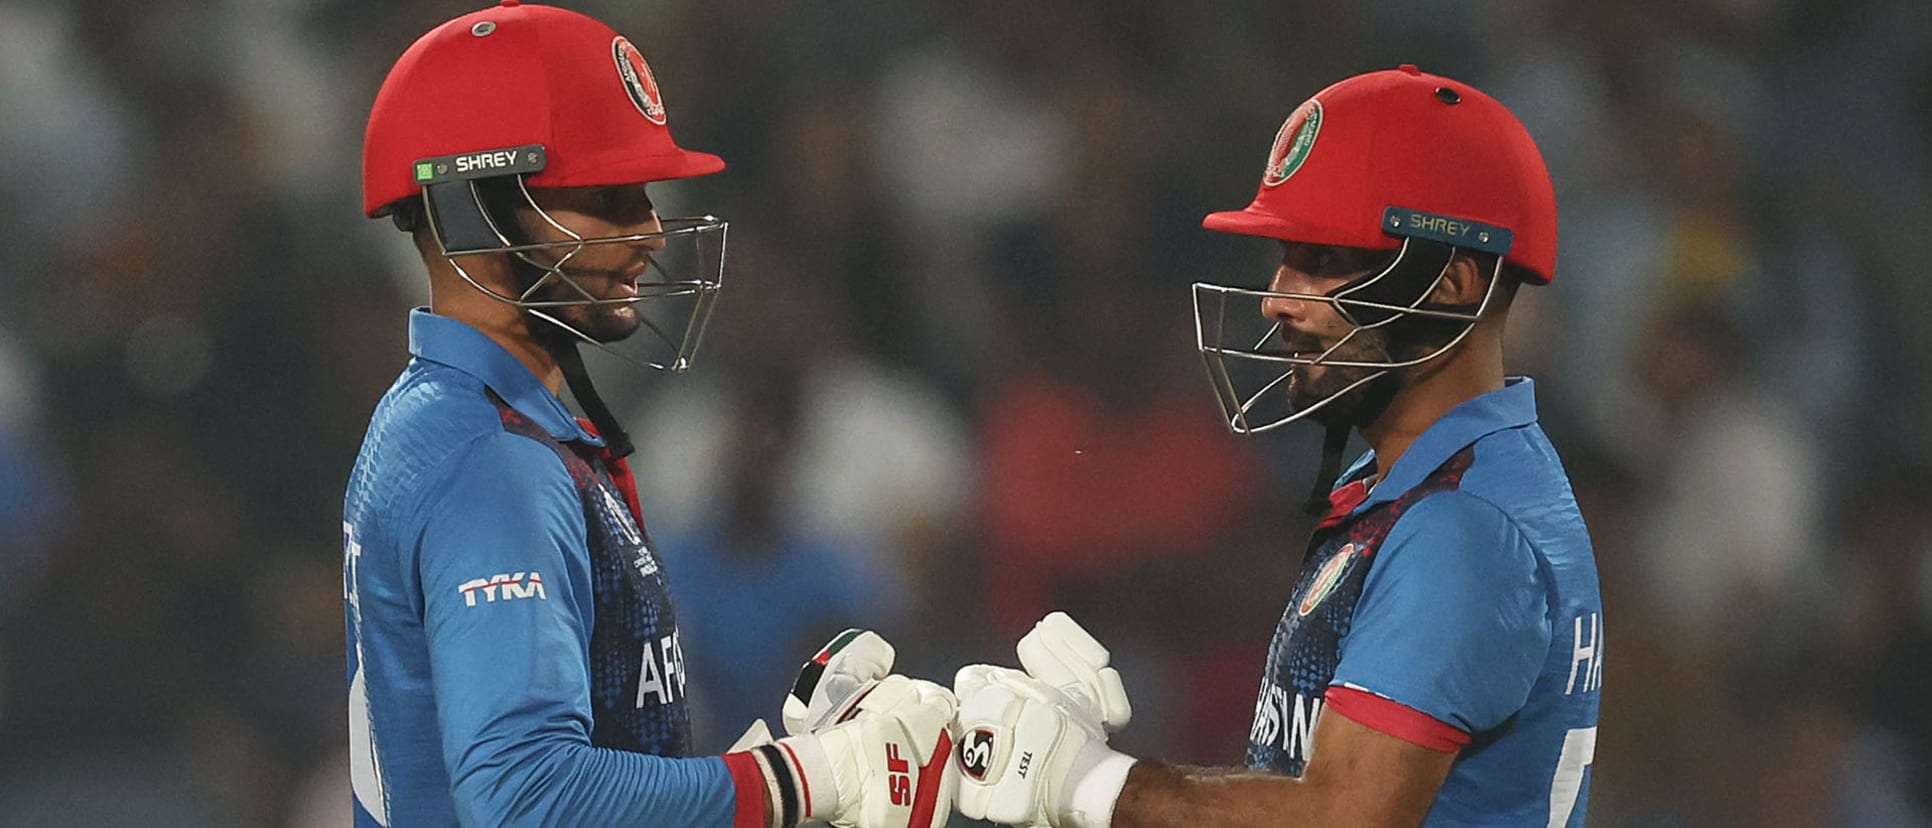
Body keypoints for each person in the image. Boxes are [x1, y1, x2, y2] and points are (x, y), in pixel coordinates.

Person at [342, 4, 954, 826]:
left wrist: (771, 769)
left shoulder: (452, 420)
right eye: (604, 195)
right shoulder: (491, 461)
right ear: (471, 209)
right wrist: (803, 779)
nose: (652, 229)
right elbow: (527, 800)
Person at [951, 65, 1605, 827]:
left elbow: (1339, 819)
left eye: (1324, 260)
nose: (1276, 297)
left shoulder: (1461, 529)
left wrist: (1086, 781)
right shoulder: (1428, 483)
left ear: (1452, 284)